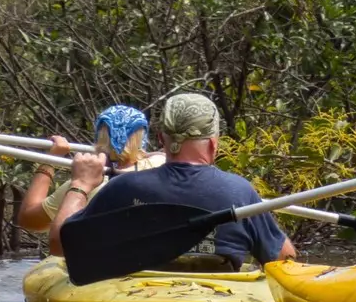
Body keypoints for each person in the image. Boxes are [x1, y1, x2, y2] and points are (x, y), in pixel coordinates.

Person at [49, 92, 294, 268]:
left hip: (140, 301)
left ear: (161, 138)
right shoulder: (239, 192)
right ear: (213, 143)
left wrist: (80, 185)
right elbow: (284, 259)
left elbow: (61, 247)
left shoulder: (123, 187)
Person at [15, 104, 164, 234]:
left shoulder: (86, 183)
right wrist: (142, 154)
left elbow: (28, 219)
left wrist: (49, 161)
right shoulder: (162, 163)